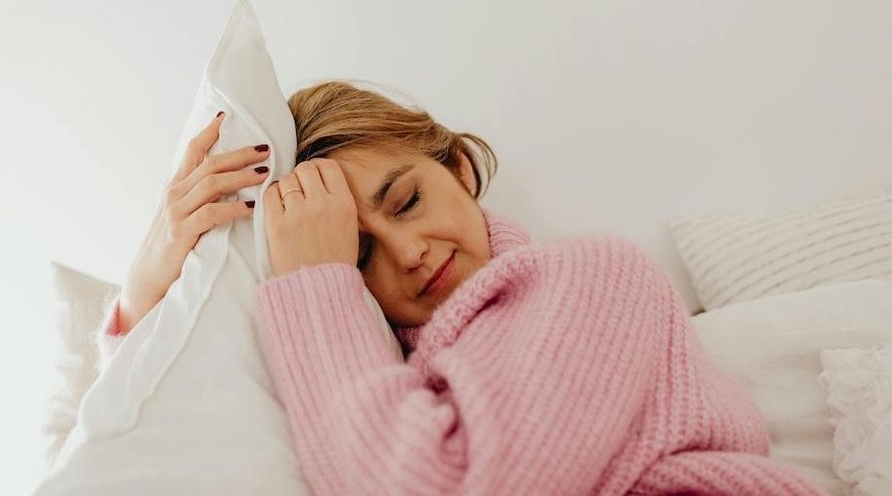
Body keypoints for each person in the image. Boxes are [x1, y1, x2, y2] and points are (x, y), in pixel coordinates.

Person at [97, 80, 826, 495]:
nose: (409, 252)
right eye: (358, 255)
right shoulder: (384, 367)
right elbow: (201, 428)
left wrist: (317, 283)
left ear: (458, 169)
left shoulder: (595, 277)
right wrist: (146, 287)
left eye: (408, 201)